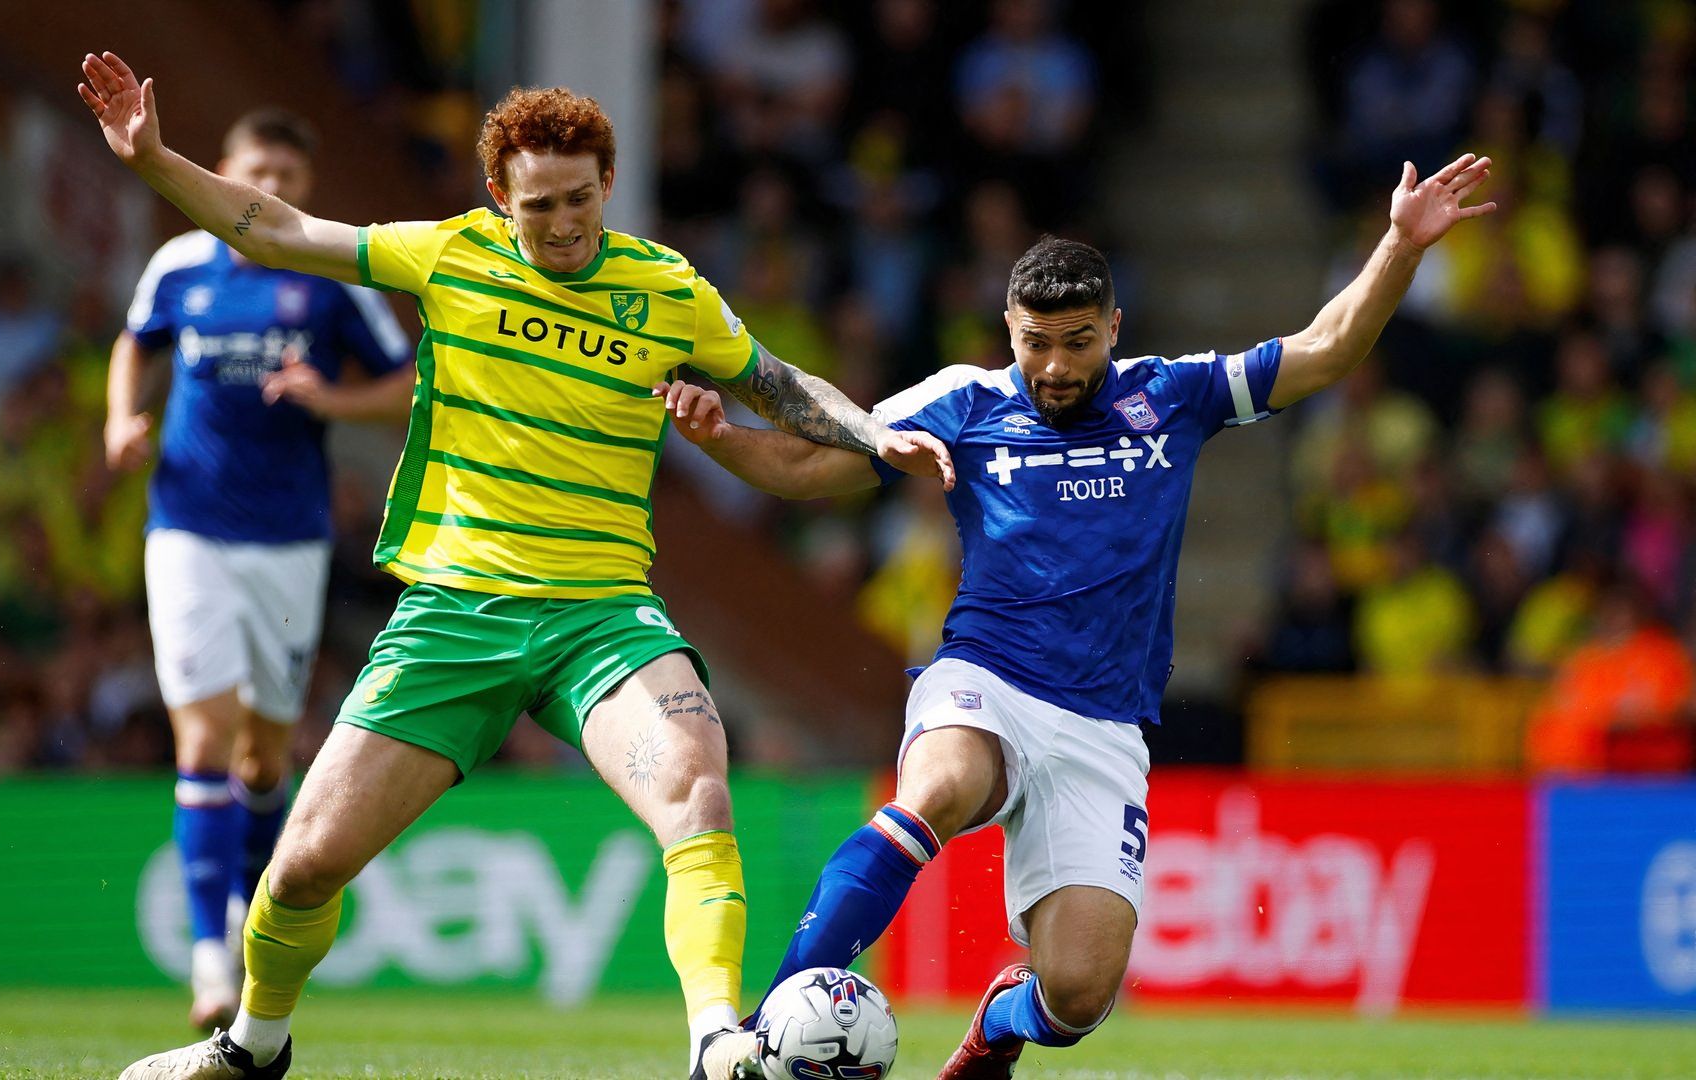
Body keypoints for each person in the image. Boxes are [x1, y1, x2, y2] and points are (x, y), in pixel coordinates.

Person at [75, 51, 952, 1080]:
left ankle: (718, 1039)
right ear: (501, 195)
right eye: (541, 207)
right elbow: (274, 228)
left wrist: (871, 432)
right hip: (457, 615)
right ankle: (252, 1046)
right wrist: (153, 158)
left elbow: (777, 384)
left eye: (581, 200)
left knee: (698, 794)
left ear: (607, 188)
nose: (566, 225)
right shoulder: (448, 256)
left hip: (601, 616)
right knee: (305, 864)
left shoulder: (667, 289)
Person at [667, 153, 1495, 1078]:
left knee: (1080, 992)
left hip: (1104, 725)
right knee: (933, 791)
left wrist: (1398, 244)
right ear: (1009, 330)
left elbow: (1326, 348)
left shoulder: (1172, 396)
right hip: (985, 678)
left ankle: (999, 1025)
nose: (1055, 367)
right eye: (1035, 344)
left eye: (1077, 342)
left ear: (1114, 327)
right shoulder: (964, 403)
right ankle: (762, 1036)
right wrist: (718, 437)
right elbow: (805, 467)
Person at [105, 107, 416, 1033]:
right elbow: (137, 344)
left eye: (288, 174)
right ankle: (213, 963)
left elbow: (411, 378)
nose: (271, 188)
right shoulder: (177, 269)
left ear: (305, 188)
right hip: (189, 532)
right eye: (257, 170)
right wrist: (123, 418)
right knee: (200, 743)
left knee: (263, 758)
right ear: (225, 173)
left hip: (289, 541)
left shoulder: (328, 285)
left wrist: (337, 399)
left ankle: (247, 924)